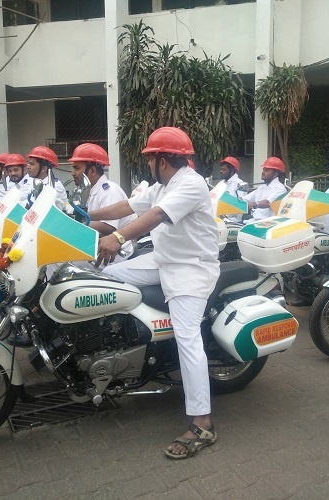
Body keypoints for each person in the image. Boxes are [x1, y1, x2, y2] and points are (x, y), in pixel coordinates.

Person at [91, 127, 219, 459]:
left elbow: (156, 216)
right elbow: (126, 207)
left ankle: (202, 422)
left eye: (150, 158)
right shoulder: (164, 185)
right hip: (164, 260)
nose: (148, 163)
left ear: (161, 159)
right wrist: (83, 216)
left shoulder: (191, 183)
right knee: (106, 276)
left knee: (187, 336)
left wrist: (117, 239)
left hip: (191, 268)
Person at [68, 143, 134, 259]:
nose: (73, 173)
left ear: (93, 170)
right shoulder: (90, 190)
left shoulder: (109, 191)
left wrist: (75, 226)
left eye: (77, 168)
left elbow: (109, 227)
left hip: (115, 254)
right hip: (97, 248)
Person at [242, 157, 287, 223]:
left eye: (267, 170)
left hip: (268, 224)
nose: (263, 172)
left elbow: (268, 203)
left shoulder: (280, 189)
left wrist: (254, 204)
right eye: (263, 169)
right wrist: (231, 200)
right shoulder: (262, 188)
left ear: (275, 174)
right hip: (254, 222)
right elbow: (245, 199)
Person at [26, 146, 68, 211]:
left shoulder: (54, 186)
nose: (28, 167)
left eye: (32, 164)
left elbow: (46, 211)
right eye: (28, 163)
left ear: (43, 168)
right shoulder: (36, 182)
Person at [220, 156, 245, 222]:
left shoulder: (239, 184)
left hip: (233, 221)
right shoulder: (221, 183)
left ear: (232, 170)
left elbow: (241, 205)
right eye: (221, 169)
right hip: (220, 217)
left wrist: (226, 215)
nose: (221, 171)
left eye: (224, 169)